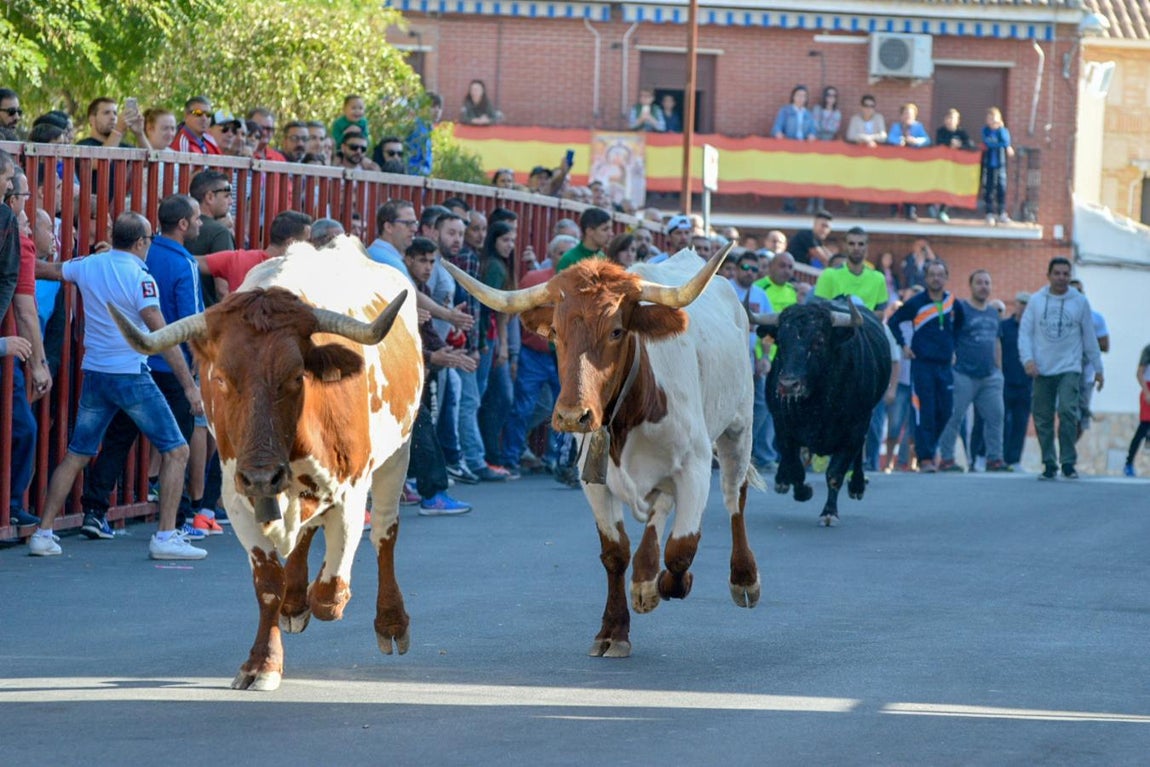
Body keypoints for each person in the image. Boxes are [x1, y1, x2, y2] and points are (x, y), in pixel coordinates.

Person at [27, 212, 206, 559]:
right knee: (177, 450)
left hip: (95, 371)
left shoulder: (89, 265)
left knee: (78, 453)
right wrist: (188, 385)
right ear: (140, 242)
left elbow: (44, 270)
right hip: (130, 374)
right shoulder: (140, 278)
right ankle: (166, 536)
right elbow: (162, 334)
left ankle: (43, 532)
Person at [76, 194, 213, 541]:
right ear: (182, 224)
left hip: (132, 362)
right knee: (176, 444)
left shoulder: (135, 256)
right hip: (169, 366)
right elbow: (190, 322)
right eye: (196, 219)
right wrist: (193, 373)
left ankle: (94, 509)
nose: (200, 224)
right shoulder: (185, 264)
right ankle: (179, 519)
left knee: (119, 438)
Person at [403, 237, 478, 515]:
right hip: (395, 373)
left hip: (412, 371)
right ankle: (432, 494)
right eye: (422, 260)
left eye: (432, 261)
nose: (428, 267)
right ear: (407, 260)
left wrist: (446, 352)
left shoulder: (420, 289)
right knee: (422, 427)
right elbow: (396, 338)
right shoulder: (400, 284)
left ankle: (420, 489)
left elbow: (430, 335)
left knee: (420, 427)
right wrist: (435, 356)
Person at [1018, 257, 1104, 480]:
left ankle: (1068, 462)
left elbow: (1089, 337)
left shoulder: (1079, 302)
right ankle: (1049, 463)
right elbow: (1025, 333)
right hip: (1042, 368)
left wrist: (1098, 368)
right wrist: (1027, 359)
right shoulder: (1036, 301)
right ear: (1048, 276)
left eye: (1066, 274)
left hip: (1070, 367)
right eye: (1057, 273)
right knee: (1042, 417)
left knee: (1068, 411)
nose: (1061, 278)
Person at [4, 166, 50, 528]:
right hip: (9, 349)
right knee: (22, 428)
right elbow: (25, 307)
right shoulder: (17, 240)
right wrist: (39, 362)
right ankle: (10, 505)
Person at [887, 260, 964, 473]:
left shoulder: (953, 303)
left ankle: (927, 447)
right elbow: (894, 321)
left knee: (946, 411)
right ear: (926, 278)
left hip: (944, 366)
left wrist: (953, 347)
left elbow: (960, 326)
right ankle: (926, 458)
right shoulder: (917, 302)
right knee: (924, 411)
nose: (936, 278)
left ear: (946, 278)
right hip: (922, 365)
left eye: (940, 274)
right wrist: (904, 345)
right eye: (932, 275)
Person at [936, 269, 1011, 473]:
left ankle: (995, 459)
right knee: (954, 417)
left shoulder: (993, 313)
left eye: (987, 283)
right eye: (979, 282)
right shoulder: (960, 309)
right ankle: (947, 459)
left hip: (990, 376)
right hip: (963, 374)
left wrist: (999, 371)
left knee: (996, 417)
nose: (983, 286)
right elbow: (950, 336)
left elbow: (997, 342)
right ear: (970, 286)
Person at [729, 251, 777, 470]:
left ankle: (746, 449)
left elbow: (767, 332)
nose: (750, 273)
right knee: (728, 407)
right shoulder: (725, 289)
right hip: (727, 359)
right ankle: (725, 452)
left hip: (752, 360)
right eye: (746, 268)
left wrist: (765, 357)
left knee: (761, 406)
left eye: (754, 270)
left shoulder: (760, 295)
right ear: (737, 268)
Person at [199, 209, 312, 297]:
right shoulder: (300, 273)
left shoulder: (237, 259)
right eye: (307, 241)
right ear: (291, 243)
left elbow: (189, 262)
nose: (311, 246)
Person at [1069, 278, 1109, 440]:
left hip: (1085, 374)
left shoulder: (1095, 318)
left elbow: (1105, 346)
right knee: (1066, 413)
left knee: (1081, 415)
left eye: (1079, 291)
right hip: (1064, 372)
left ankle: (1068, 455)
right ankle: (1065, 454)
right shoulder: (1057, 317)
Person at [999, 291, 1033, 469]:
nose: (1024, 307)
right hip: (1005, 382)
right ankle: (1001, 458)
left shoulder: (1033, 330)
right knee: (1004, 421)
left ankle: (1015, 460)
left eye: (1028, 304)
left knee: (1021, 422)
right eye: (1022, 303)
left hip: (1026, 384)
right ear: (1016, 305)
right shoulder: (1004, 327)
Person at [887, 103, 931, 221]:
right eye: (905, 113)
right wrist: (898, 140)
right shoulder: (896, 127)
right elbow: (890, 138)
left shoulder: (918, 127)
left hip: (912, 165)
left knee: (911, 187)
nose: (908, 116)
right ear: (901, 115)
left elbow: (927, 140)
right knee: (896, 186)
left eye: (910, 114)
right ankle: (894, 212)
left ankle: (910, 211)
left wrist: (915, 141)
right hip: (898, 164)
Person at [933, 109, 974, 223]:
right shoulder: (940, 131)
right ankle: (932, 206)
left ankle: (943, 211)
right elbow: (938, 143)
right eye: (948, 118)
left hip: (956, 166)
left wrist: (960, 145)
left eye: (953, 119)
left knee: (951, 187)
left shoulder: (962, 132)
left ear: (957, 121)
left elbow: (970, 145)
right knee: (940, 186)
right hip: (942, 165)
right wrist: (949, 144)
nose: (950, 121)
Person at [981, 107, 1014, 225]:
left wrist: (1001, 129)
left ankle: (1001, 212)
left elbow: (1006, 141)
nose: (992, 121)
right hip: (989, 163)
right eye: (990, 119)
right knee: (989, 188)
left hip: (1000, 164)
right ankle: (989, 212)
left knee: (1001, 188)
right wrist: (999, 144)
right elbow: (987, 143)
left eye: (994, 119)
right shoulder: (985, 130)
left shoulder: (1002, 130)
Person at [556, 207, 613, 271]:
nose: (611, 234)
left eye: (611, 229)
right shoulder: (569, 259)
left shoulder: (603, 258)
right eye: (605, 229)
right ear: (589, 231)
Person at [1123, 343, 1150, 477]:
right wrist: (1146, 393)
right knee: (1144, 427)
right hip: (1149, 389)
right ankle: (1129, 463)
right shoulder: (1148, 350)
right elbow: (1140, 372)